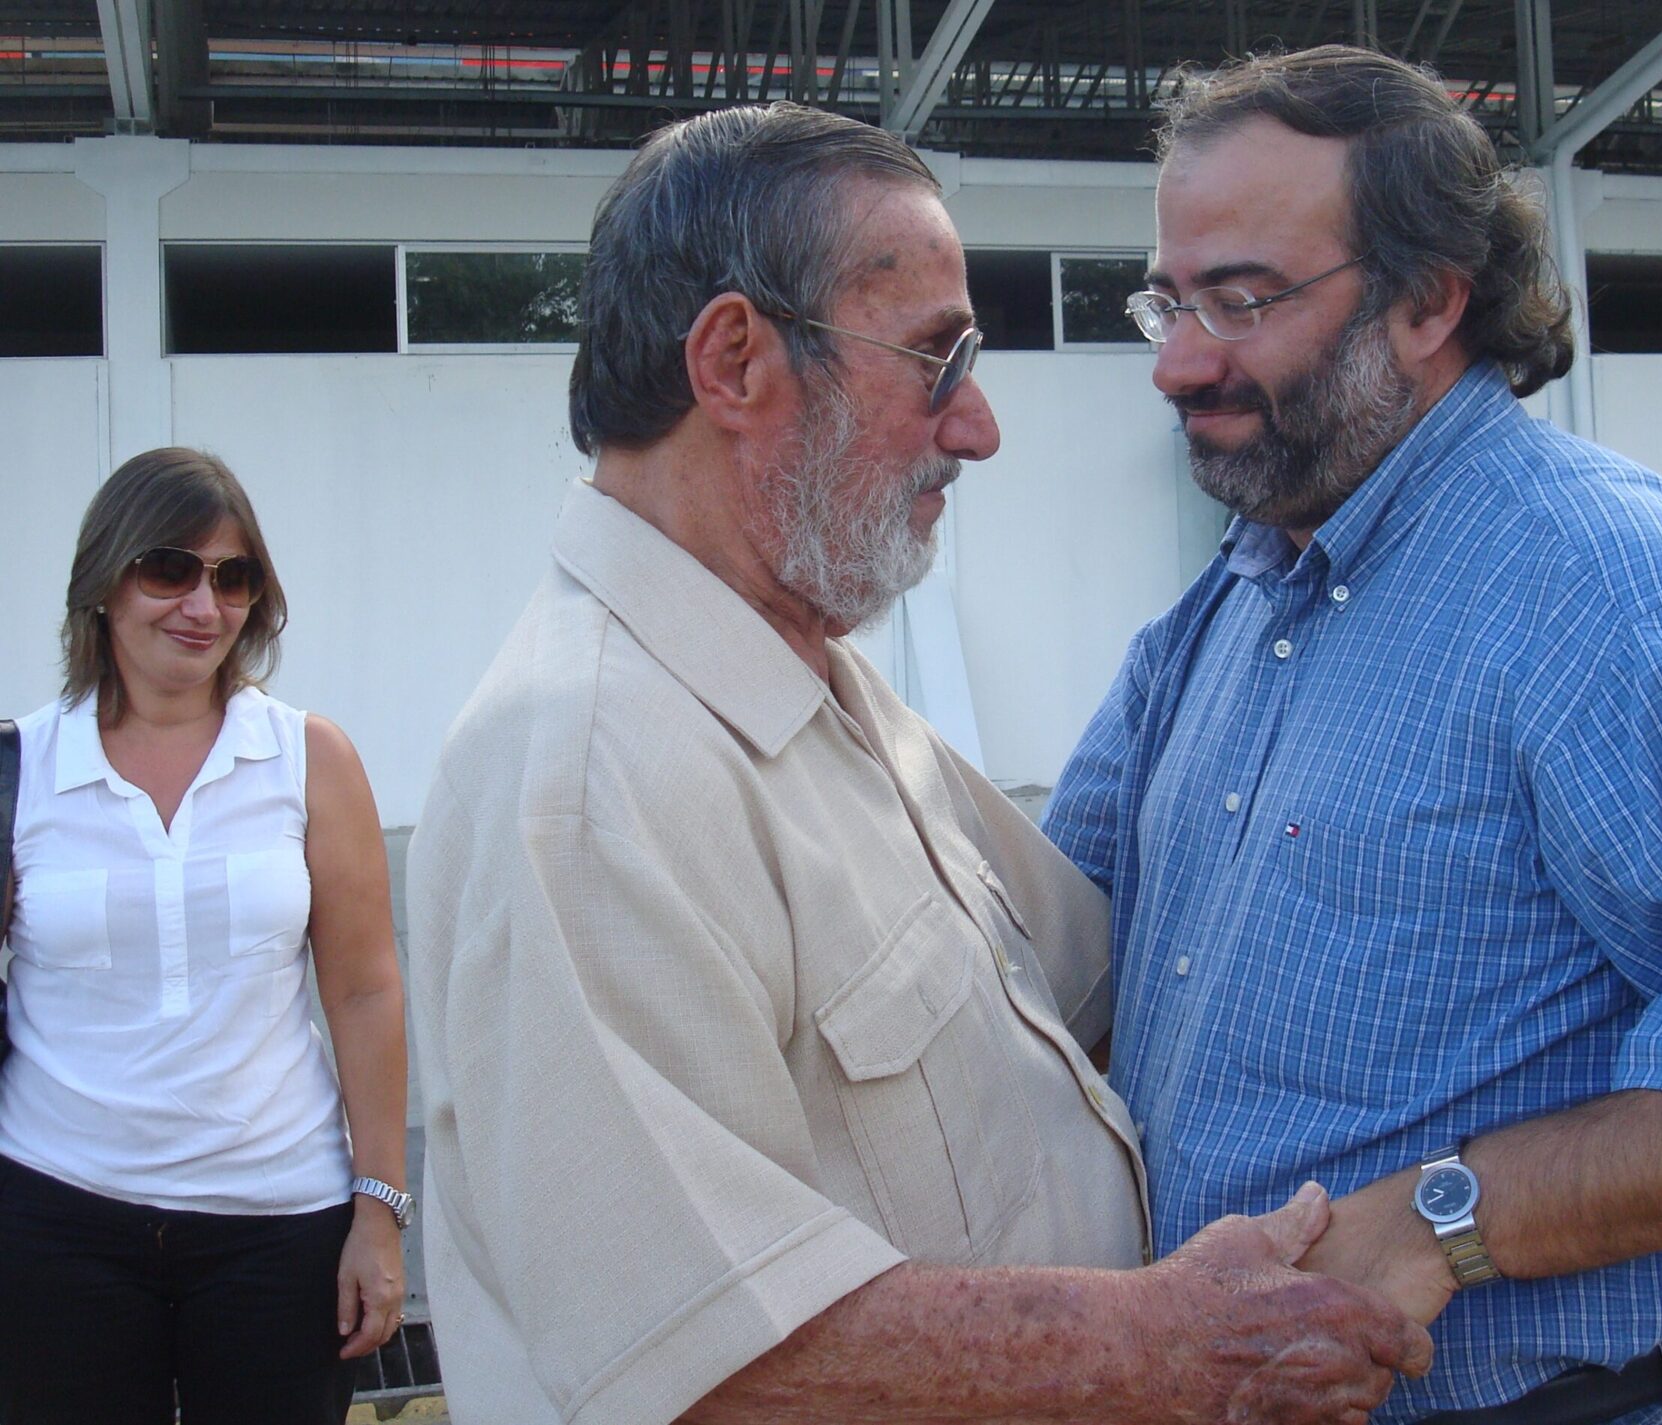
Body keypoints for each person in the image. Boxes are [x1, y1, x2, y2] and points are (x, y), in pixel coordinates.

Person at [405, 101, 1431, 1425]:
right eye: (937, 360)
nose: (980, 427)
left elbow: (1108, 979)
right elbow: (712, 1357)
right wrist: (1165, 1343)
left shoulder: (812, 683)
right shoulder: (588, 773)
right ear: (734, 361)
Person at [1043, 45, 1662, 1425]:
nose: (1178, 362)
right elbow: (1047, 945)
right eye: (1167, 299)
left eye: (1243, 300)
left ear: (1429, 301)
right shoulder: (1238, 590)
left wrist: (1442, 1218)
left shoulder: (1615, 592)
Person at [0, 448, 410, 1424]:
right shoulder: (21, 768)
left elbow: (363, 990)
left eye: (234, 577)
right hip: (58, 1218)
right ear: (103, 584)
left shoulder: (308, 758)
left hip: (279, 1225)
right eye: (169, 570)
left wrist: (379, 1213)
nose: (203, 605)